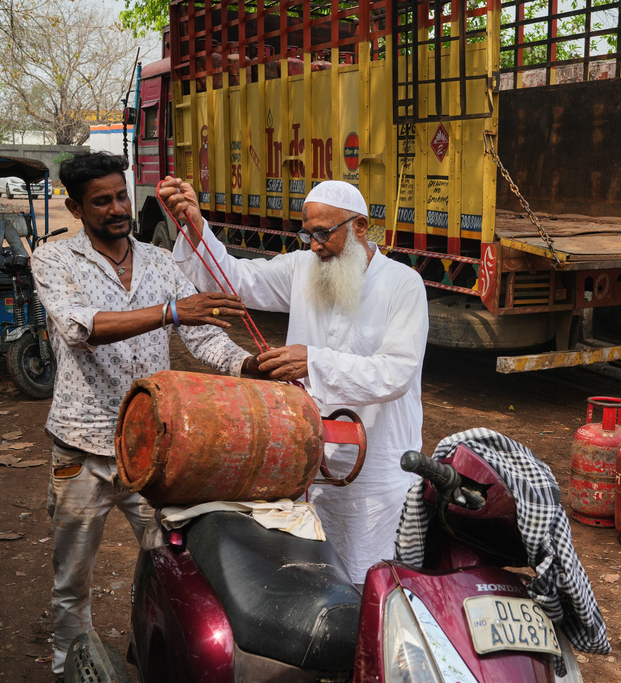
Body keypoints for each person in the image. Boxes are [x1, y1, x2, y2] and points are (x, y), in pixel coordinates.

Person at [31, 152, 261, 677]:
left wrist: (248, 364)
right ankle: (70, 669)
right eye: (102, 200)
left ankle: (164, 652)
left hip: (152, 449)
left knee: (175, 567)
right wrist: (169, 312)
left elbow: (201, 335)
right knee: (73, 580)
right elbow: (79, 327)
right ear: (75, 205)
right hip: (81, 448)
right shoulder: (54, 260)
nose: (117, 208)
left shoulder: (160, 264)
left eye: (121, 195)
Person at [159, 176, 429, 584]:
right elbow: (233, 278)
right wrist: (197, 225)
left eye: (324, 233)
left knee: (374, 580)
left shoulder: (403, 284)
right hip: (313, 456)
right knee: (317, 573)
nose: (315, 244)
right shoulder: (305, 266)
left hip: (379, 467)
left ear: (360, 227)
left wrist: (313, 361)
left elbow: (396, 373)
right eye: (308, 233)